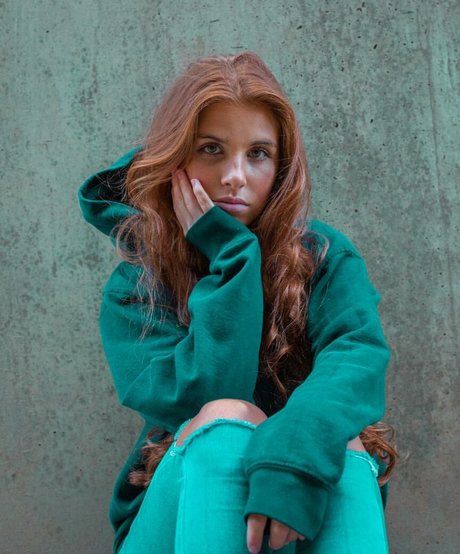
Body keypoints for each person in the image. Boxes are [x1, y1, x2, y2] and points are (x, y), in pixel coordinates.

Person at [77, 51, 398, 553]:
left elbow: (355, 364)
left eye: (258, 154)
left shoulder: (324, 256)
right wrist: (231, 255)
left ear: (282, 166)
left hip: (302, 508)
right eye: (211, 149)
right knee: (229, 416)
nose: (235, 176)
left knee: (339, 440)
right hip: (173, 521)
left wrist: (291, 459)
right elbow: (210, 396)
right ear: (176, 159)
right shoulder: (136, 286)